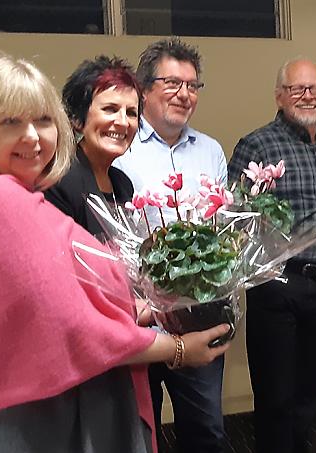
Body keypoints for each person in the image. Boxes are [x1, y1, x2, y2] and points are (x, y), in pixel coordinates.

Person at [0, 54, 230, 453]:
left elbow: (49, 303)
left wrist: (145, 306)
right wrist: (180, 350)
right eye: (12, 122)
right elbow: (72, 325)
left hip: (40, 403)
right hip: (27, 418)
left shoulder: (10, 197)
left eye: (43, 120)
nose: (32, 137)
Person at [227, 57, 316, 453]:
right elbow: (236, 216)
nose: (308, 95)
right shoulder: (256, 144)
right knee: (276, 397)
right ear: (280, 95)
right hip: (278, 285)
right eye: (298, 88)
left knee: (311, 393)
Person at [112, 38, 228, 453]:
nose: (184, 94)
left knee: (207, 431)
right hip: (137, 317)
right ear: (144, 89)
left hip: (195, 314)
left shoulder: (211, 150)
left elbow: (220, 231)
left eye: (193, 85)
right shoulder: (118, 146)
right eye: (172, 83)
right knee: (141, 432)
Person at [45, 55, 138, 237]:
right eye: (110, 109)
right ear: (77, 119)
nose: (123, 122)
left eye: (132, 113)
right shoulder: (60, 179)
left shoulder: (123, 184)